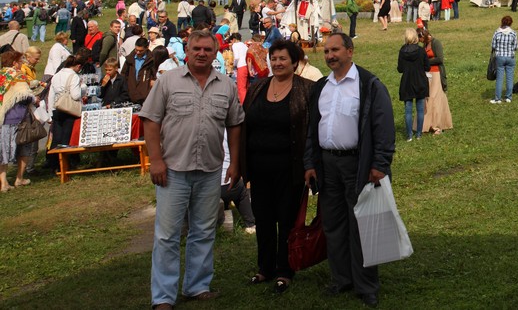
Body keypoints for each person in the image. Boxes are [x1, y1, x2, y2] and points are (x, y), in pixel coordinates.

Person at [140, 29, 244, 309]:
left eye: (207, 50)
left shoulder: (226, 85)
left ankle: (197, 286)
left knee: (203, 230)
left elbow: (234, 125)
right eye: (196, 49)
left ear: (216, 53)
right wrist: (156, 160)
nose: (201, 53)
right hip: (172, 170)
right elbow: (150, 121)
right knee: (167, 234)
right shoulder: (168, 81)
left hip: (210, 170)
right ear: (186, 51)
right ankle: (163, 296)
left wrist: (234, 162)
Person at [303, 32, 395, 308]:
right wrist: (310, 163)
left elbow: (384, 127)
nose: (330, 55)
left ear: (350, 51)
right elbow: (312, 129)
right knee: (333, 224)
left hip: (359, 164)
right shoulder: (321, 87)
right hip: (328, 165)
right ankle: (342, 279)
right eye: (326, 51)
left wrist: (380, 164)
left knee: (364, 226)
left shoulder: (368, 85)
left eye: (335, 50)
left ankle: (366, 285)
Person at [242, 39, 310, 293]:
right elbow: (244, 124)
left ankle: (285, 269)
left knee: (287, 219)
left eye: (283, 58)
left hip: (291, 169)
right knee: (264, 218)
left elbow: (312, 130)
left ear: (295, 62)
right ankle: (265, 268)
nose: (277, 63)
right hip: (259, 168)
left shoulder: (307, 90)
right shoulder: (257, 87)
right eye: (274, 58)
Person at [45, 54, 84, 171]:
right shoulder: (74, 76)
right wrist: (83, 89)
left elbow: (51, 95)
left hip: (57, 108)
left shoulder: (56, 76)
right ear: (77, 66)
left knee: (56, 138)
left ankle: (53, 164)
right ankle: (66, 165)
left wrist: (50, 112)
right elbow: (76, 95)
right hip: (69, 110)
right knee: (67, 139)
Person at [397, 29, 429, 141]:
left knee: (408, 110)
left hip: (407, 82)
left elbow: (400, 69)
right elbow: (427, 67)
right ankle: (419, 134)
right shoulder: (421, 51)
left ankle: (409, 135)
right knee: (420, 109)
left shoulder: (402, 50)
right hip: (420, 81)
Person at [420, 28, 452, 135]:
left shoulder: (436, 43)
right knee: (428, 98)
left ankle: (438, 125)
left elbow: (440, 59)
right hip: (427, 74)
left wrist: (426, 61)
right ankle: (428, 124)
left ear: (424, 36)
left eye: (421, 39)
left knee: (435, 97)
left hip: (436, 73)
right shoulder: (425, 45)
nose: (420, 41)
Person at [490, 15, 518, 104]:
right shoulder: (513, 33)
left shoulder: (497, 32)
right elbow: (516, 47)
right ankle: (508, 97)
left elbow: (493, 46)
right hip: (510, 57)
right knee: (510, 78)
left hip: (500, 57)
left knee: (499, 78)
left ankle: (497, 98)